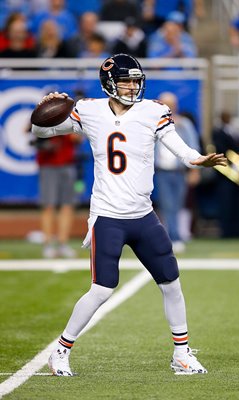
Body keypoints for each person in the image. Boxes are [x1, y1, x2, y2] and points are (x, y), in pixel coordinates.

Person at [32, 54, 227, 376]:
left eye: (136, 80)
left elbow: (179, 148)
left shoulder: (154, 111)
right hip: (108, 215)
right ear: (109, 83)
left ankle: (181, 353)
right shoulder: (89, 110)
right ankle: (60, 351)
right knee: (102, 289)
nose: (133, 86)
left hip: (143, 215)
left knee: (171, 283)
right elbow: (42, 133)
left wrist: (197, 160)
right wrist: (43, 111)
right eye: (126, 80)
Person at [155, 91, 200, 252]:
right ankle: (172, 237)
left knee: (178, 204)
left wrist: (194, 169)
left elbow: (193, 145)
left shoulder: (184, 123)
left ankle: (175, 235)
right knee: (167, 204)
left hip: (179, 170)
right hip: (161, 170)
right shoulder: (154, 122)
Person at [31, 129, 79, 259]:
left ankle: (63, 243)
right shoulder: (44, 110)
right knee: (48, 205)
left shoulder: (69, 112)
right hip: (48, 163)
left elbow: (78, 138)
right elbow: (30, 129)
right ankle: (48, 245)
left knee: (67, 205)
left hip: (67, 162)